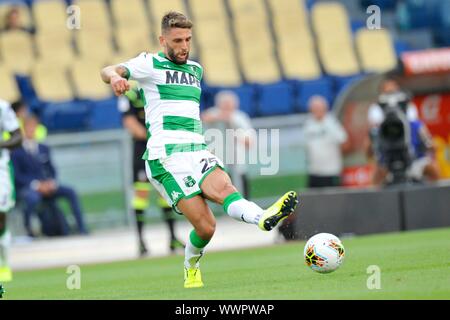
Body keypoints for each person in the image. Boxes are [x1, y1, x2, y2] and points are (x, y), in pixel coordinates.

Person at [101, 11, 299, 289]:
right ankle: (190, 266)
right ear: (163, 40)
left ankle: (263, 217)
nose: (184, 46)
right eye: (177, 40)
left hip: (198, 150)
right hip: (165, 157)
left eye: (188, 39)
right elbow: (109, 69)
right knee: (206, 227)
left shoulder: (195, 70)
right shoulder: (149, 64)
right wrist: (113, 78)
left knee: (226, 190)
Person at [117, 89, 184, 257]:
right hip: (143, 151)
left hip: (161, 150)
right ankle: (140, 241)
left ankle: (173, 237)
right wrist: (157, 137)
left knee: (165, 194)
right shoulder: (130, 96)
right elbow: (131, 124)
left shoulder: (157, 89)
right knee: (141, 195)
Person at [11, 115, 88, 237]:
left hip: (47, 185)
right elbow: (18, 175)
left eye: (34, 127)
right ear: (24, 129)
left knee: (71, 192)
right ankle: (29, 232)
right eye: (29, 128)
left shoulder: (44, 148)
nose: (32, 130)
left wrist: (51, 182)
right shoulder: (16, 151)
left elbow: (52, 169)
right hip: (30, 188)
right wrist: (36, 185)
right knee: (31, 199)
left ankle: (82, 229)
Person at [367, 79, 440, 185]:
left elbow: (431, 146)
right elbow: (369, 154)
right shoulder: (378, 129)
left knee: (431, 168)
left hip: (414, 161)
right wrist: (371, 143)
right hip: (388, 163)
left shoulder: (415, 125)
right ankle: (375, 200)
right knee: (376, 174)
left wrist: (430, 151)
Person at [201, 90, 255, 198]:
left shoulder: (240, 117)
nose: (228, 108)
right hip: (219, 163)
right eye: (225, 105)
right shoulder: (213, 113)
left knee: (243, 194)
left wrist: (235, 131)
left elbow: (250, 141)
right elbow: (203, 117)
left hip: (238, 162)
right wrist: (221, 118)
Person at [303, 95, 348, 188]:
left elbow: (344, 142)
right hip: (314, 172)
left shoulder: (332, 123)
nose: (317, 111)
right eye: (314, 108)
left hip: (330, 172)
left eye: (319, 108)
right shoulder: (308, 125)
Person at [0, 98, 22, 282]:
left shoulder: (2, 107)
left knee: (0, 216)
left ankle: (4, 264)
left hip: (0, 169)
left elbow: (17, 137)